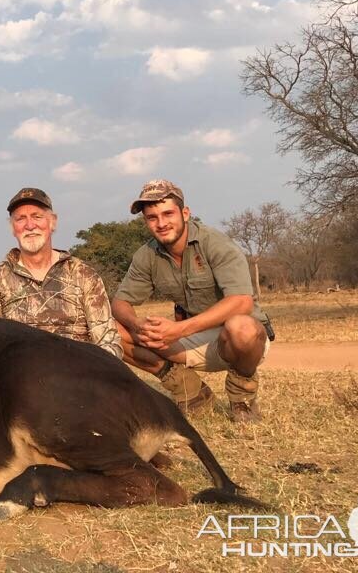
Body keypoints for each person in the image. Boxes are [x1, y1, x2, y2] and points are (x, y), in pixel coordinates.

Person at [111, 179, 272, 423]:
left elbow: (242, 302)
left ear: (185, 213)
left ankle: (242, 398)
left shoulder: (214, 243)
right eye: (152, 217)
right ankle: (190, 391)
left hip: (241, 341)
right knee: (108, 328)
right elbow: (119, 303)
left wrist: (178, 329)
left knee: (241, 327)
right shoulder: (147, 254)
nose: (161, 223)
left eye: (168, 213)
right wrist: (136, 325)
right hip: (193, 339)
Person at [0, 187, 123, 360]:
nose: (30, 226)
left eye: (37, 217)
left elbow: (109, 342)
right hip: (22, 376)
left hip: (81, 373)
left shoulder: (83, 273)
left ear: (52, 222)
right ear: (12, 227)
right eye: (20, 219)